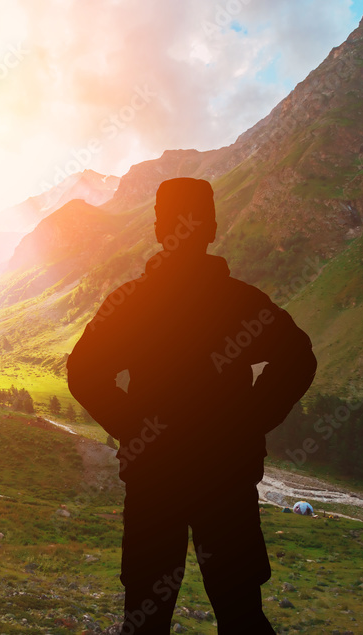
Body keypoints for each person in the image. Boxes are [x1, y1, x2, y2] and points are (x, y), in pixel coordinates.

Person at [66, 177, 316, 634]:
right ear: (213, 226)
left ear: (160, 227)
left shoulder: (132, 303)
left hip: (154, 477)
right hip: (226, 475)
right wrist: (250, 422)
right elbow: (298, 358)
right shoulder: (239, 302)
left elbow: (83, 371)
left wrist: (134, 428)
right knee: (240, 608)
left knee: (145, 611)